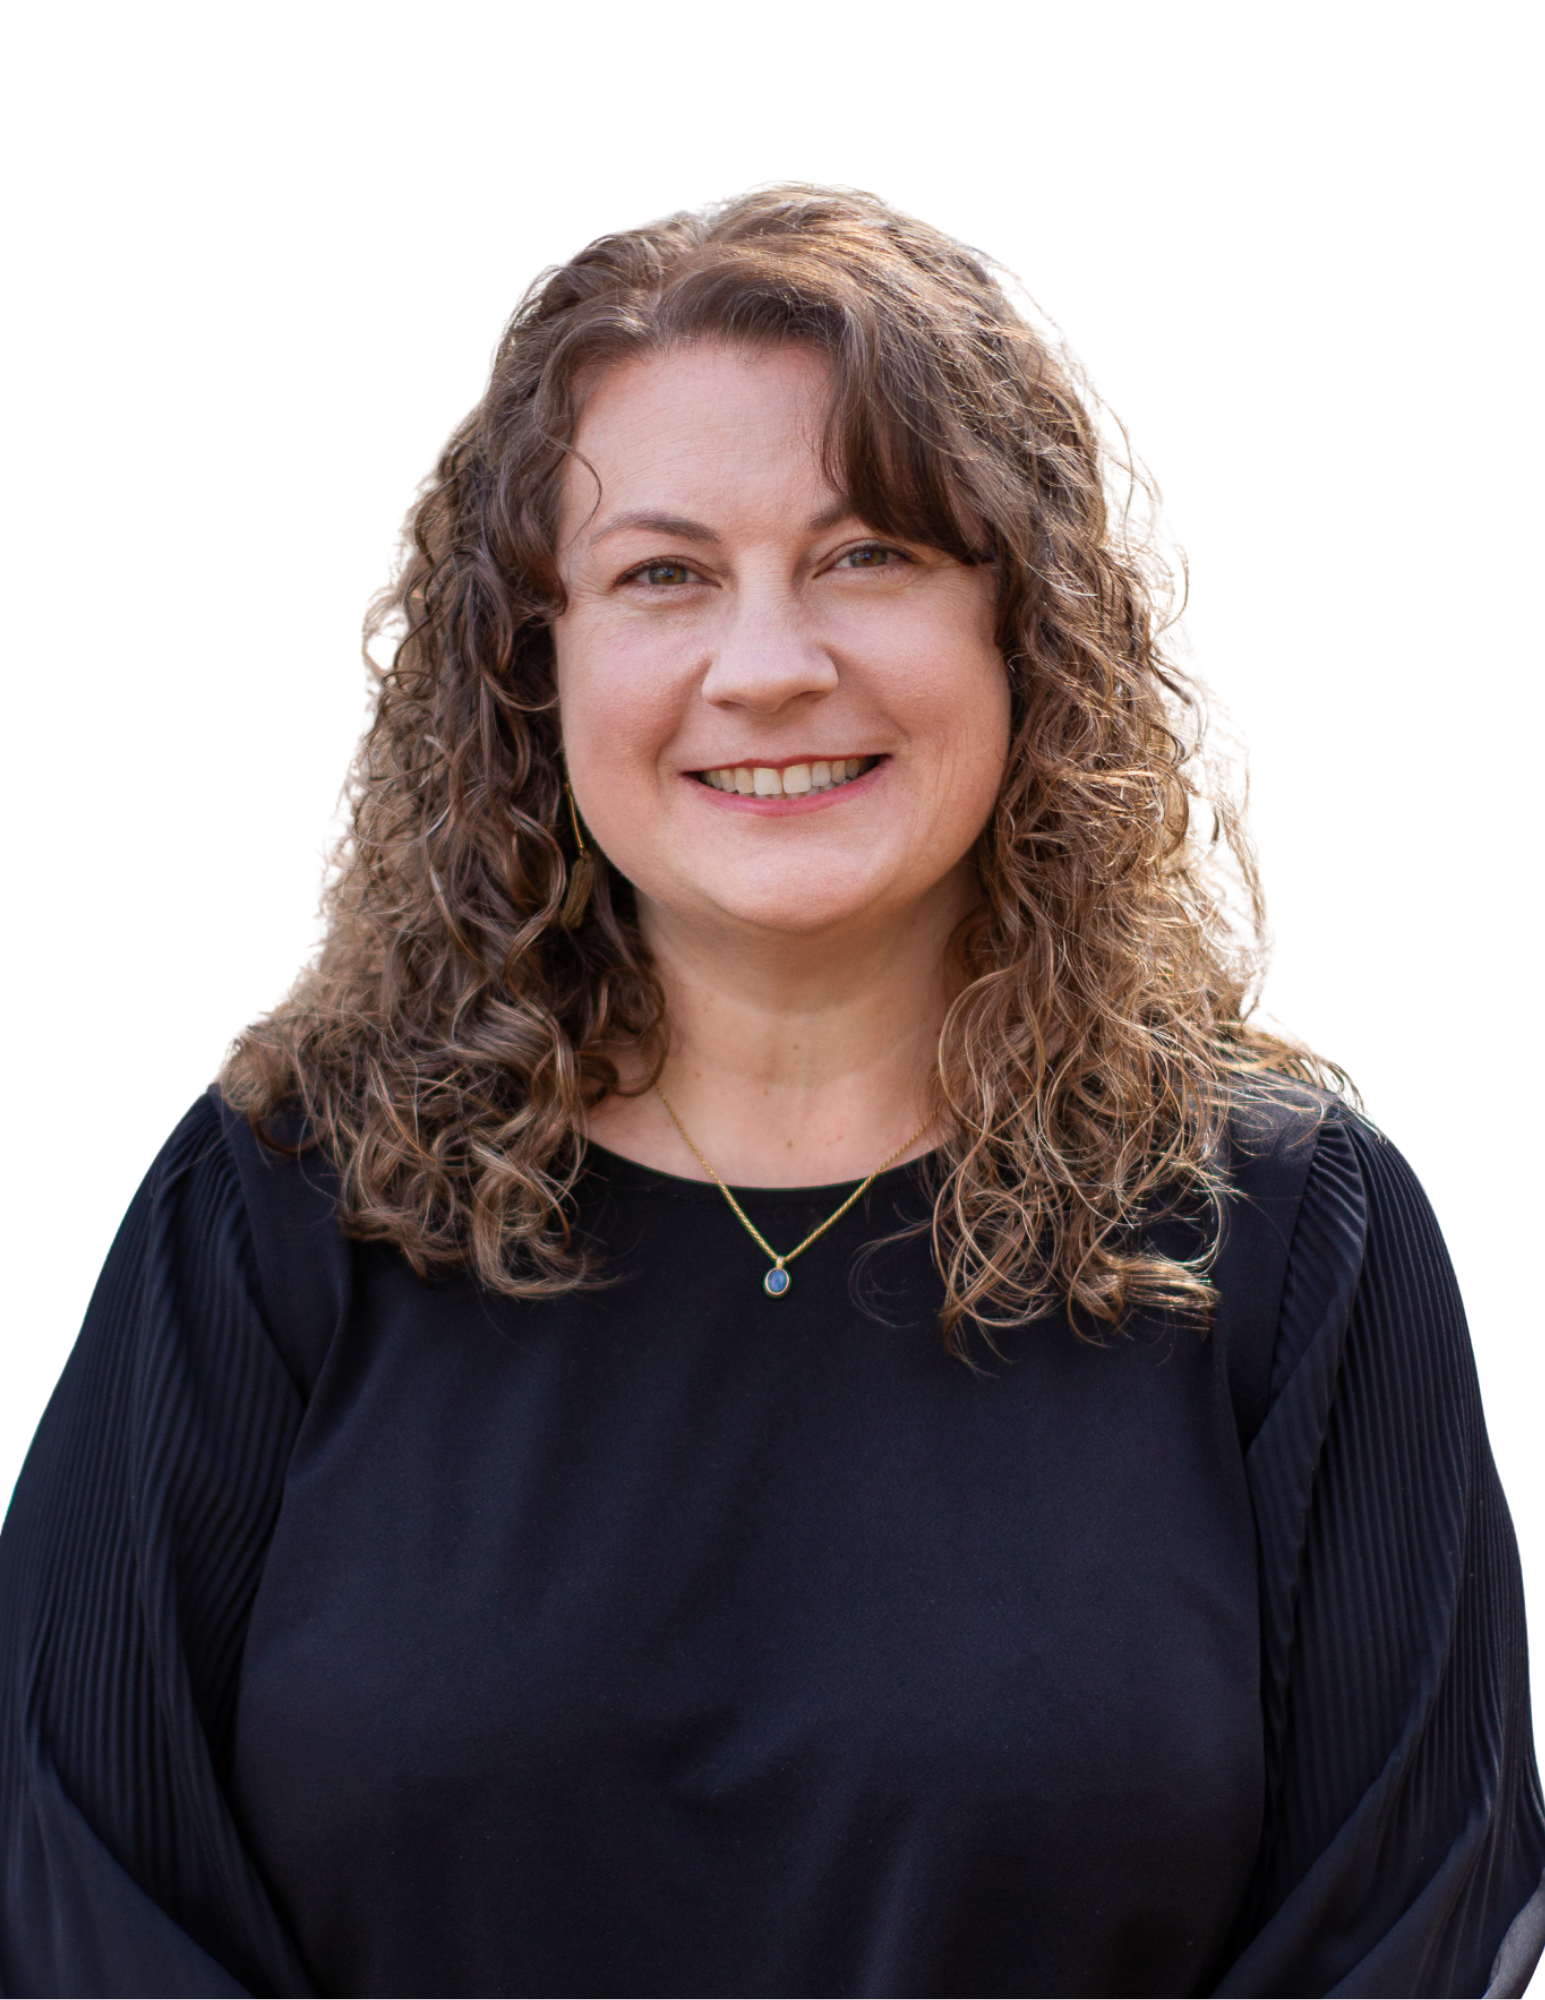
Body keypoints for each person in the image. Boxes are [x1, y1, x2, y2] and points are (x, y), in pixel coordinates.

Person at [2, 180, 1541, 2000]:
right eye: (664, 576)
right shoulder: (276, 1205)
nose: (766, 666)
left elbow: (1412, 1931)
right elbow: (85, 1892)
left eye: (867, 554)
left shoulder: (1295, 1230)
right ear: (534, 661)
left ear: (1022, 629)